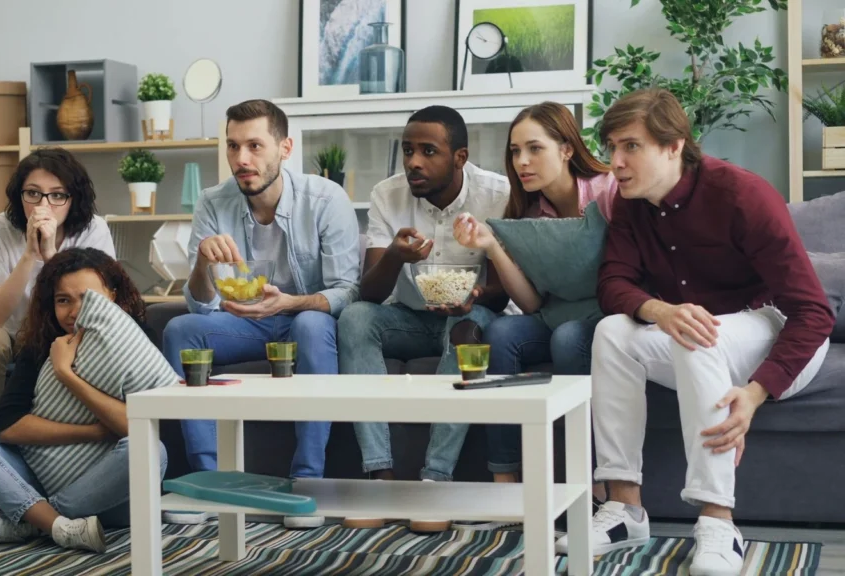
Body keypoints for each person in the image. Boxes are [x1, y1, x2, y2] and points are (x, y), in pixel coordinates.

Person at [557, 88, 833, 576]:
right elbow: (613, 284)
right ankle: (625, 509)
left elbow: (812, 312)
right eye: (612, 147)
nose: (615, 163)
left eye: (630, 147)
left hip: (778, 330)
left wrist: (753, 394)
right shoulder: (630, 203)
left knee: (696, 333)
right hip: (700, 337)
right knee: (612, 332)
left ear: (674, 145)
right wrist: (659, 311)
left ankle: (718, 520)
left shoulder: (742, 194)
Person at [161, 99, 360, 529]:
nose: (241, 159)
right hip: (246, 322)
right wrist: (200, 264)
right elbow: (203, 305)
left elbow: (348, 290)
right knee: (181, 329)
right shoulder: (214, 202)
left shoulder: (325, 199)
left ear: (285, 148)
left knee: (309, 323)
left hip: (305, 320)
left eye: (254, 145)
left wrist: (290, 303)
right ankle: (211, 481)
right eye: (233, 147)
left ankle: (308, 482)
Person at [336, 105, 511, 532]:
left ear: (460, 157)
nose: (414, 162)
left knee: (466, 328)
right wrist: (395, 255)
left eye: (428, 151)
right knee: (356, 318)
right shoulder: (387, 194)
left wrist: (475, 296)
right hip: (409, 319)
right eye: (408, 150)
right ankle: (379, 477)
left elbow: (507, 287)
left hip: (472, 316)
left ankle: (436, 480)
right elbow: (373, 293)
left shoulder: (499, 194)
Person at [0, 248, 172, 553]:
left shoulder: (137, 342)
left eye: (88, 297)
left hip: (109, 496)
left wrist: (66, 375)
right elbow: (7, 426)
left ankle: (34, 521)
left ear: (112, 296)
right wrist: (95, 432)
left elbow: (138, 427)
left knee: (151, 450)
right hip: (36, 475)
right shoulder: (42, 343)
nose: (75, 311)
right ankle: (59, 526)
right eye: (63, 300)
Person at [452, 102, 615, 497]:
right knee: (504, 332)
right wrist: (492, 246)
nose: (522, 161)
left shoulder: (608, 193)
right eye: (514, 151)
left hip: (608, 317)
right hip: (556, 315)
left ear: (566, 149)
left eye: (534, 148)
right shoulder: (529, 212)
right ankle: (507, 483)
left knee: (568, 338)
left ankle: (590, 483)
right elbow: (531, 305)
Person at [0, 148, 115, 426]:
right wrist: (29, 255)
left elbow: (97, 307)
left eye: (57, 195)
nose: (44, 205)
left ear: (73, 199)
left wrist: (51, 255)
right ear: (20, 196)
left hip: (60, 330)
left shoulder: (93, 229)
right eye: (33, 193)